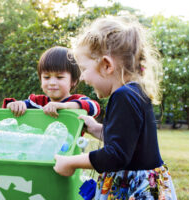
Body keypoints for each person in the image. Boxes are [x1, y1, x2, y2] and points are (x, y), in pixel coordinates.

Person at [53, 17, 177, 200]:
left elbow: (116, 155)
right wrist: (96, 128)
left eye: (84, 69)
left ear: (106, 65)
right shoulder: (135, 92)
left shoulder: (123, 96)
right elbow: (129, 143)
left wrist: (71, 162)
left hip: (134, 191)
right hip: (146, 185)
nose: (84, 78)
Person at [2, 46, 100, 119]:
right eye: (47, 77)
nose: (52, 82)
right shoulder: (37, 103)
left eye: (59, 77)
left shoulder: (77, 100)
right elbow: (11, 108)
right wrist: (15, 105)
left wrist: (64, 106)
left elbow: (94, 107)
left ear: (73, 81)